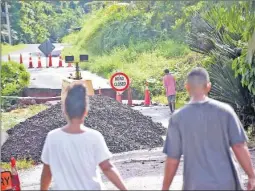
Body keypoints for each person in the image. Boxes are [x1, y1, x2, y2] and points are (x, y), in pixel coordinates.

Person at [162, 67, 255, 190]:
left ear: (187, 87)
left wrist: (165, 188)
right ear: (208, 86)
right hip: (227, 183)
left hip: (195, 185)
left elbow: (173, 159)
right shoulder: (225, 111)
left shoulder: (177, 118)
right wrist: (251, 176)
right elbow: (239, 146)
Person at [40, 82, 127, 190]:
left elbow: (47, 172)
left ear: (65, 110)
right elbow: (107, 167)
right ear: (85, 111)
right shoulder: (94, 137)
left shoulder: (52, 137)